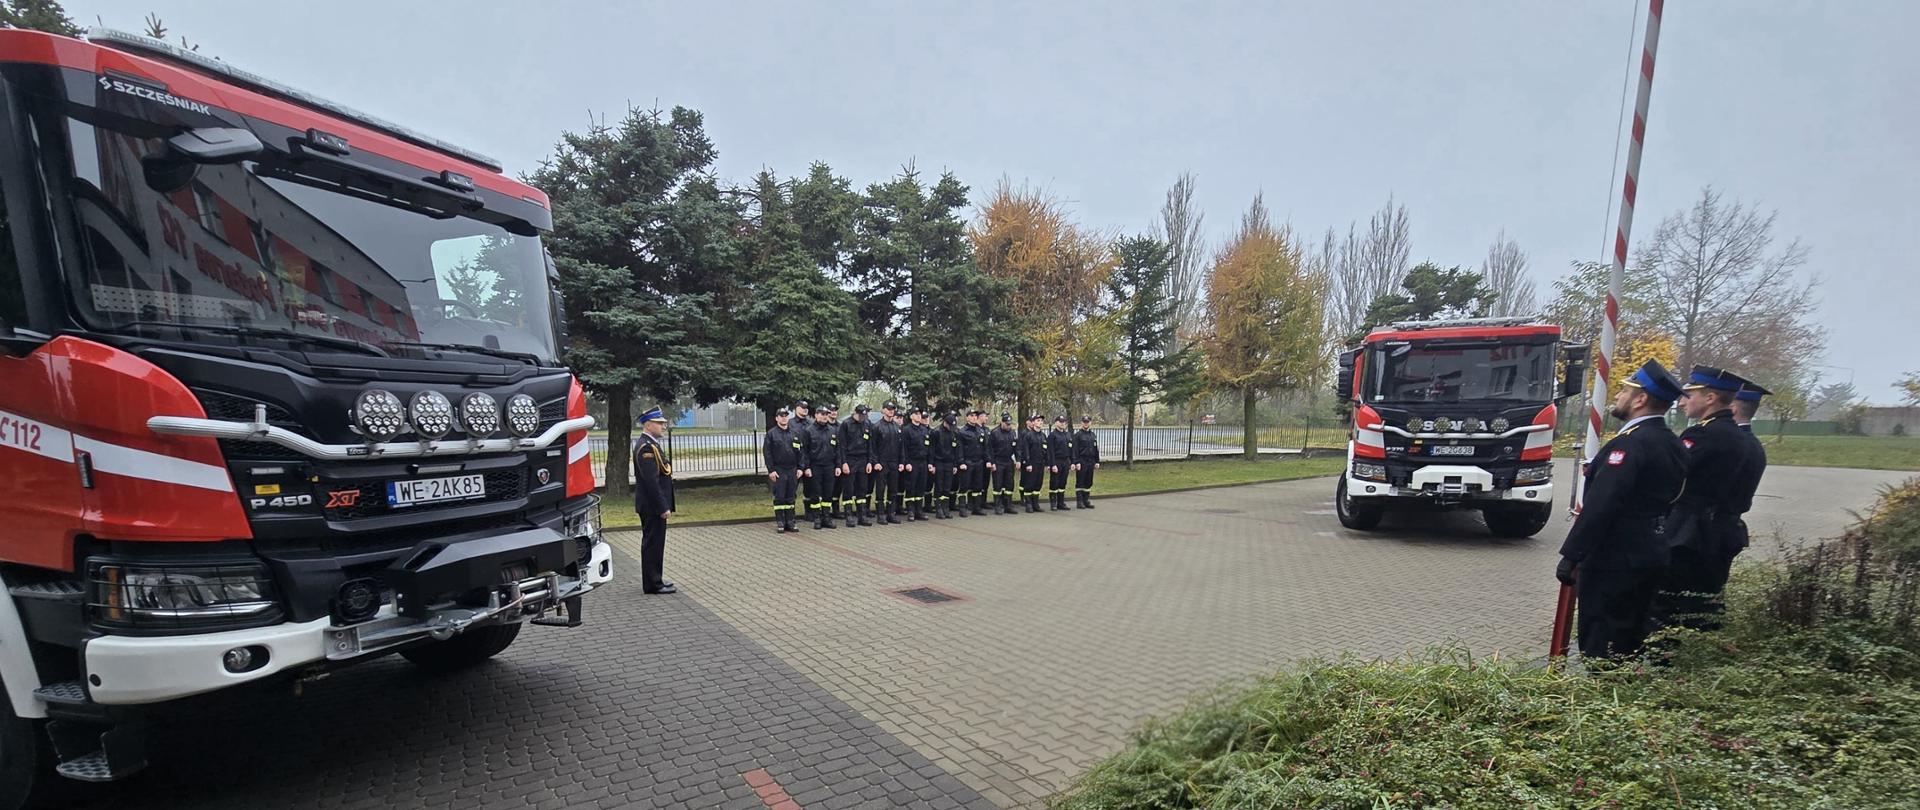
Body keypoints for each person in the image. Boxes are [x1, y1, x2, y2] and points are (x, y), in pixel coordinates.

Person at [1556, 360, 1685, 660]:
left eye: (1625, 391)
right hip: (1651, 549)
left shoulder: (1629, 446)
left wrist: (1572, 554)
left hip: (1615, 558)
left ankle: (1603, 695)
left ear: (1640, 400)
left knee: (1602, 638)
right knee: (1631, 637)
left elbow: (1603, 505)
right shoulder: (1672, 443)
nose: (1617, 396)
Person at [1653, 366, 1760, 632]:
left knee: (1668, 606)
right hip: (1724, 532)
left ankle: (1662, 665)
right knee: (1706, 605)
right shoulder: (1747, 440)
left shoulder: (1702, 435)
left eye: (1689, 395)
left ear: (1710, 398)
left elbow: (1672, 480)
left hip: (1689, 535)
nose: (1681, 401)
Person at [631, 407, 678, 594]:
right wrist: (662, 506)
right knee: (652, 544)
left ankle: (656, 579)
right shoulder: (646, 448)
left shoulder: (652, 444)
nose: (663, 426)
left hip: (653, 506)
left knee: (656, 544)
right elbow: (651, 482)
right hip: (652, 507)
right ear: (648, 425)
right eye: (660, 423)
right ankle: (652, 584)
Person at [762, 407, 806, 533]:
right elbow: (767, 453)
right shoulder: (771, 434)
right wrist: (771, 470)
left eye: (786, 415)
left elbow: (800, 452)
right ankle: (780, 522)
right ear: (776, 418)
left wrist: (800, 468)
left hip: (792, 469)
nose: (784, 418)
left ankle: (790, 521)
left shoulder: (794, 434)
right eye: (781, 416)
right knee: (780, 497)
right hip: (779, 470)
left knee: (791, 497)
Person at [804, 405, 843, 530]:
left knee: (828, 493)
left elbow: (837, 450)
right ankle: (817, 518)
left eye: (826, 414)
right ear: (816, 415)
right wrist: (807, 467)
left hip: (829, 466)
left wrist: (838, 465)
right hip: (815, 466)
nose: (824, 416)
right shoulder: (809, 431)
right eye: (821, 414)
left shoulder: (832, 431)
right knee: (816, 493)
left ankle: (826, 517)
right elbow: (804, 451)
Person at [840, 404, 876, 527]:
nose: (862, 417)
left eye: (864, 415)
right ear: (854, 413)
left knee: (862, 489)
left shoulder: (867, 424)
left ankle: (862, 515)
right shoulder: (846, 424)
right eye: (860, 415)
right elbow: (842, 446)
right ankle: (849, 515)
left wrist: (870, 462)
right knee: (849, 489)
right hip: (850, 459)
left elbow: (870, 445)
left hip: (863, 460)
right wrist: (843, 462)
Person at [873, 402, 903, 524]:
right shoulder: (877, 426)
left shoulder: (897, 427)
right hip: (882, 463)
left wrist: (901, 462)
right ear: (883, 410)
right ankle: (880, 514)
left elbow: (901, 447)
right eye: (889, 409)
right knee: (880, 489)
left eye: (893, 409)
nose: (891, 411)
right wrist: (876, 462)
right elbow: (872, 446)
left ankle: (891, 513)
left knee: (893, 489)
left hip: (894, 463)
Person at [988, 412, 1019, 515]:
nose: (1008, 426)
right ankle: (998, 505)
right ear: (1002, 422)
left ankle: (1008, 505)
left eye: (1009, 424)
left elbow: (1016, 448)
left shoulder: (1012, 433)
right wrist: (992, 462)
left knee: (1009, 484)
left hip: (1008, 461)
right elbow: (990, 449)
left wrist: (1018, 460)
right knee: (998, 484)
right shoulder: (995, 433)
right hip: (998, 461)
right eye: (1006, 424)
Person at [960, 410, 989, 516]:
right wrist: (961, 462)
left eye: (975, 416)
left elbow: (985, 448)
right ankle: (962, 508)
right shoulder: (963, 432)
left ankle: (976, 508)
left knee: (977, 486)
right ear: (967, 418)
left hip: (979, 462)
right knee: (964, 486)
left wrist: (988, 460)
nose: (974, 417)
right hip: (967, 462)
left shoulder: (980, 431)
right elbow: (960, 449)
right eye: (971, 416)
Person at [1018, 414, 1048, 513]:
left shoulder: (1043, 436)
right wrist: (1028, 464)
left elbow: (1045, 451)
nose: (1040, 422)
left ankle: (1035, 503)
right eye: (1038, 420)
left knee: (1038, 484)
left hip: (1040, 464)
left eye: (1041, 421)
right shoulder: (1029, 435)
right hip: (1032, 463)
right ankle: (1028, 504)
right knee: (1029, 484)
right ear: (1033, 422)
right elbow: (1025, 451)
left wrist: (1047, 463)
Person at [1073, 415, 1101, 509]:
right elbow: (1075, 450)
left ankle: (1086, 500)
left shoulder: (1093, 435)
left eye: (1087, 421)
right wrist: (1076, 462)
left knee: (1088, 481)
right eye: (1084, 422)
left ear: (1090, 423)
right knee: (1080, 481)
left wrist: (1097, 461)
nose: (1086, 423)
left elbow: (1095, 449)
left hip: (1091, 461)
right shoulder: (1078, 435)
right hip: (1081, 460)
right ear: (1081, 423)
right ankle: (1079, 501)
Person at [791, 400, 812, 521]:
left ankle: (809, 513)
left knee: (809, 490)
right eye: (802, 407)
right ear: (796, 408)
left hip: (808, 462)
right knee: (792, 489)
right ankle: (790, 515)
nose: (804, 410)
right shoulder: (790, 424)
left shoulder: (810, 424)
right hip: (795, 462)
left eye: (806, 408)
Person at [1046, 416, 1073, 511]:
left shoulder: (1067, 435)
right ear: (1056, 423)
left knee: (1063, 483)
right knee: (1054, 482)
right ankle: (1053, 503)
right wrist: (1052, 464)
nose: (1063, 423)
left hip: (1065, 462)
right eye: (1060, 422)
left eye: (1064, 422)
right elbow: (1050, 451)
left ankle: (1061, 502)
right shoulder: (1052, 435)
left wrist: (1072, 462)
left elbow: (1071, 449)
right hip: (1056, 461)